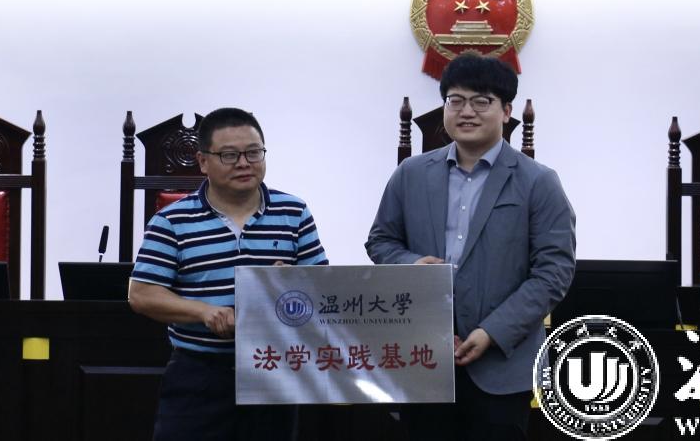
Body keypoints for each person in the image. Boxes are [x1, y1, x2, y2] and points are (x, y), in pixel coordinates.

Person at [366, 53, 576, 441]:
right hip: (422, 358)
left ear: (506, 111)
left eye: (481, 101)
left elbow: (553, 273)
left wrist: (493, 332)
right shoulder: (411, 174)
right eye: (456, 100)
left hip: (503, 364)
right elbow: (380, 240)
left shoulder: (538, 182)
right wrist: (411, 263)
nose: (466, 112)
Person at [129, 107, 328, 441]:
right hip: (199, 373)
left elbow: (322, 288)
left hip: (272, 369)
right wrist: (204, 312)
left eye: (253, 152)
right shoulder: (172, 221)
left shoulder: (294, 212)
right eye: (230, 155)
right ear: (203, 161)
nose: (244, 163)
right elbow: (142, 294)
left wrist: (292, 282)